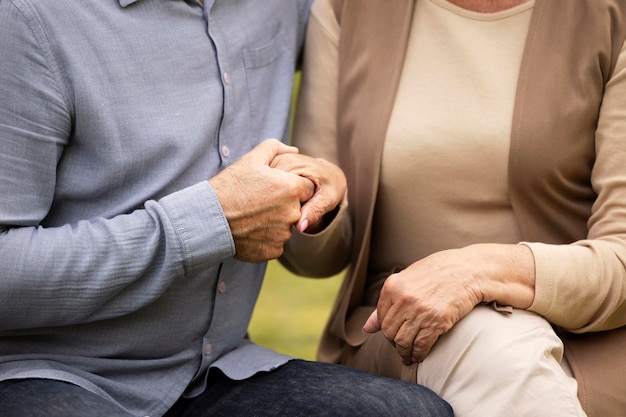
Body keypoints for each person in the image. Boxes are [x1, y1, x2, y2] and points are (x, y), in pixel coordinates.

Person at [0, 1, 455, 416]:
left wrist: (319, 181)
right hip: (44, 372)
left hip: (216, 371)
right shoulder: (26, 19)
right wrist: (209, 220)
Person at [281, 0, 626, 416]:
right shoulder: (346, 8)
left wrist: (477, 271)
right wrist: (315, 205)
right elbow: (312, 258)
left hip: (593, 344)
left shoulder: (612, 16)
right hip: (399, 333)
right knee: (493, 344)